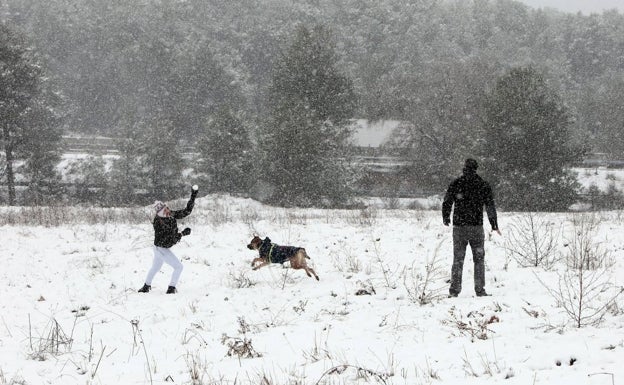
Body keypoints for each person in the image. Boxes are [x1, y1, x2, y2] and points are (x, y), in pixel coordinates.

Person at [442, 159, 500, 297]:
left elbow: (447, 202)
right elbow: (490, 205)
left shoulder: (456, 183)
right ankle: (480, 289)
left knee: (458, 259)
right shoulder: (483, 185)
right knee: (479, 259)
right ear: (476, 169)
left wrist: (446, 217)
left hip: (459, 227)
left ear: (464, 168)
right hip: (476, 227)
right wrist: (494, 224)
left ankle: (454, 290)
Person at [138, 185, 199, 294]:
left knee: (155, 267)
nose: (166, 212)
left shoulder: (170, 215)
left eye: (166, 209)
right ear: (158, 214)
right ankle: (171, 288)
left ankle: (146, 287)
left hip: (158, 247)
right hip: (161, 248)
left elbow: (186, 211)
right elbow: (168, 241)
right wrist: (182, 234)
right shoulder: (159, 223)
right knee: (178, 267)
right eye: (163, 211)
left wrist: (193, 196)